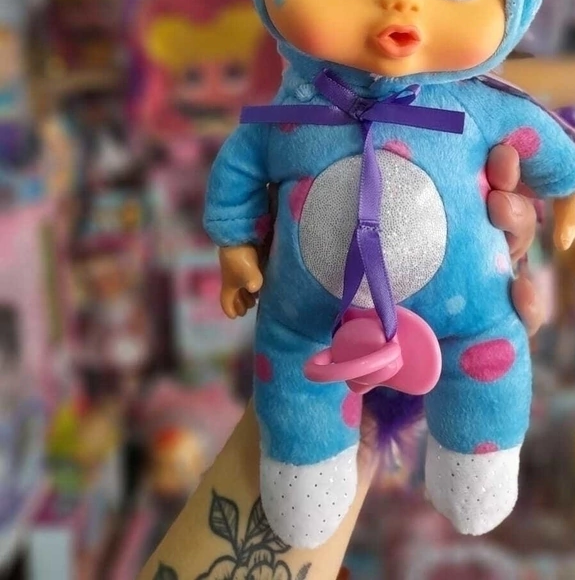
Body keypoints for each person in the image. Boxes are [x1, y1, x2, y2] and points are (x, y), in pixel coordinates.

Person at [139, 142, 541, 580]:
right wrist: (238, 243)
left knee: (480, 336)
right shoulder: (295, 122)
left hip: (337, 325)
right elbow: (247, 157)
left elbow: (547, 146)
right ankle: (308, 471)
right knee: (302, 469)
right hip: (308, 320)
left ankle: (468, 451)